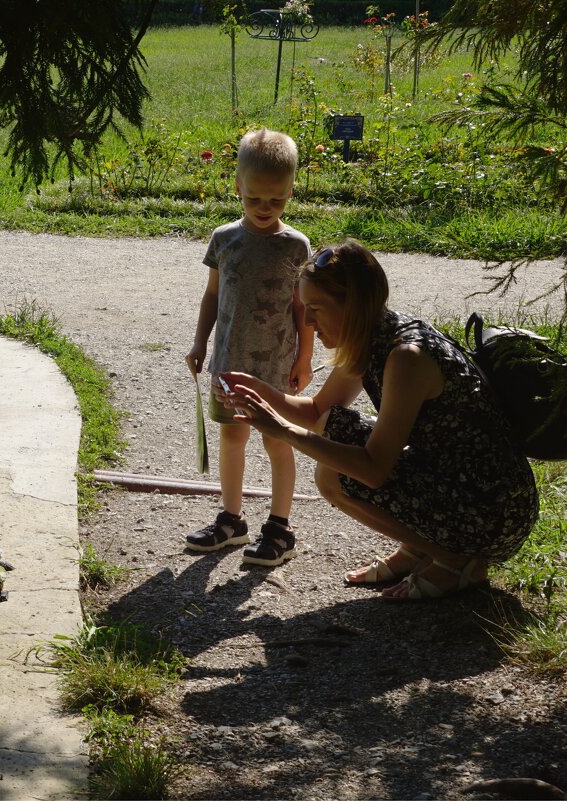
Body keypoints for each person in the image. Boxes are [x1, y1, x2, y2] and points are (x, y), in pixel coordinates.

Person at [220, 240, 539, 599]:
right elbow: (315, 412)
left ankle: (455, 561)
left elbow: (374, 470)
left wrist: (281, 430)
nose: (307, 322)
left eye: (316, 309)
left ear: (353, 306)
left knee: (335, 474)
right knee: (334, 432)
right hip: (457, 482)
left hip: (493, 510)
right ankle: (419, 549)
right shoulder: (374, 335)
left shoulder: (406, 356)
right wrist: (262, 393)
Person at [185, 128, 314, 566]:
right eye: (254, 198)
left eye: (276, 200)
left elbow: (303, 309)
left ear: (291, 191)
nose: (264, 208)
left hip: (276, 368)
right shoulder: (225, 239)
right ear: (237, 186)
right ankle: (232, 520)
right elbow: (212, 296)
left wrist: (305, 358)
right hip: (228, 362)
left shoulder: (296, 246)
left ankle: (279, 527)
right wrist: (200, 342)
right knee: (232, 436)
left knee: (279, 440)